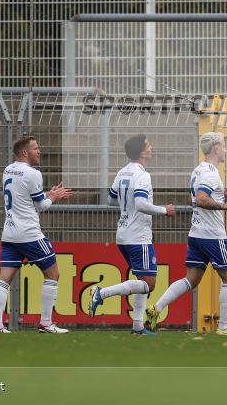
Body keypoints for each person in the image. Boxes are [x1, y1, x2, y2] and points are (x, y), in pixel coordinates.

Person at [145, 132, 227, 336]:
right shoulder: (210, 173)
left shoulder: (198, 170)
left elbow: (205, 195)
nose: (225, 149)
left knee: (191, 279)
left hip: (197, 233)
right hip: (213, 235)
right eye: (223, 146)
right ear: (216, 148)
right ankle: (224, 328)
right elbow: (201, 199)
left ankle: (157, 308)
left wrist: (222, 194)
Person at [88, 135, 175, 335]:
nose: (151, 147)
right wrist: (165, 210)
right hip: (138, 236)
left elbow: (110, 201)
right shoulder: (142, 175)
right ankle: (101, 293)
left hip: (123, 233)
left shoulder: (122, 172)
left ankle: (137, 325)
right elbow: (142, 204)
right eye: (148, 144)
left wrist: (127, 206)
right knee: (149, 284)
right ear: (142, 152)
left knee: (141, 280)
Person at [0, 136, 73, 333]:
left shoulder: (8, 169)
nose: (40, 151)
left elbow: (24, 198)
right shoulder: (33, 174)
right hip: (29, 234)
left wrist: (46, 194)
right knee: (53, 273)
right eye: (36, 148)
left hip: (9, 233)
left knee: (4, 277)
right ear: (25, 153)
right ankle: (46, 322)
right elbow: (41, 206)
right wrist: (53, 197)